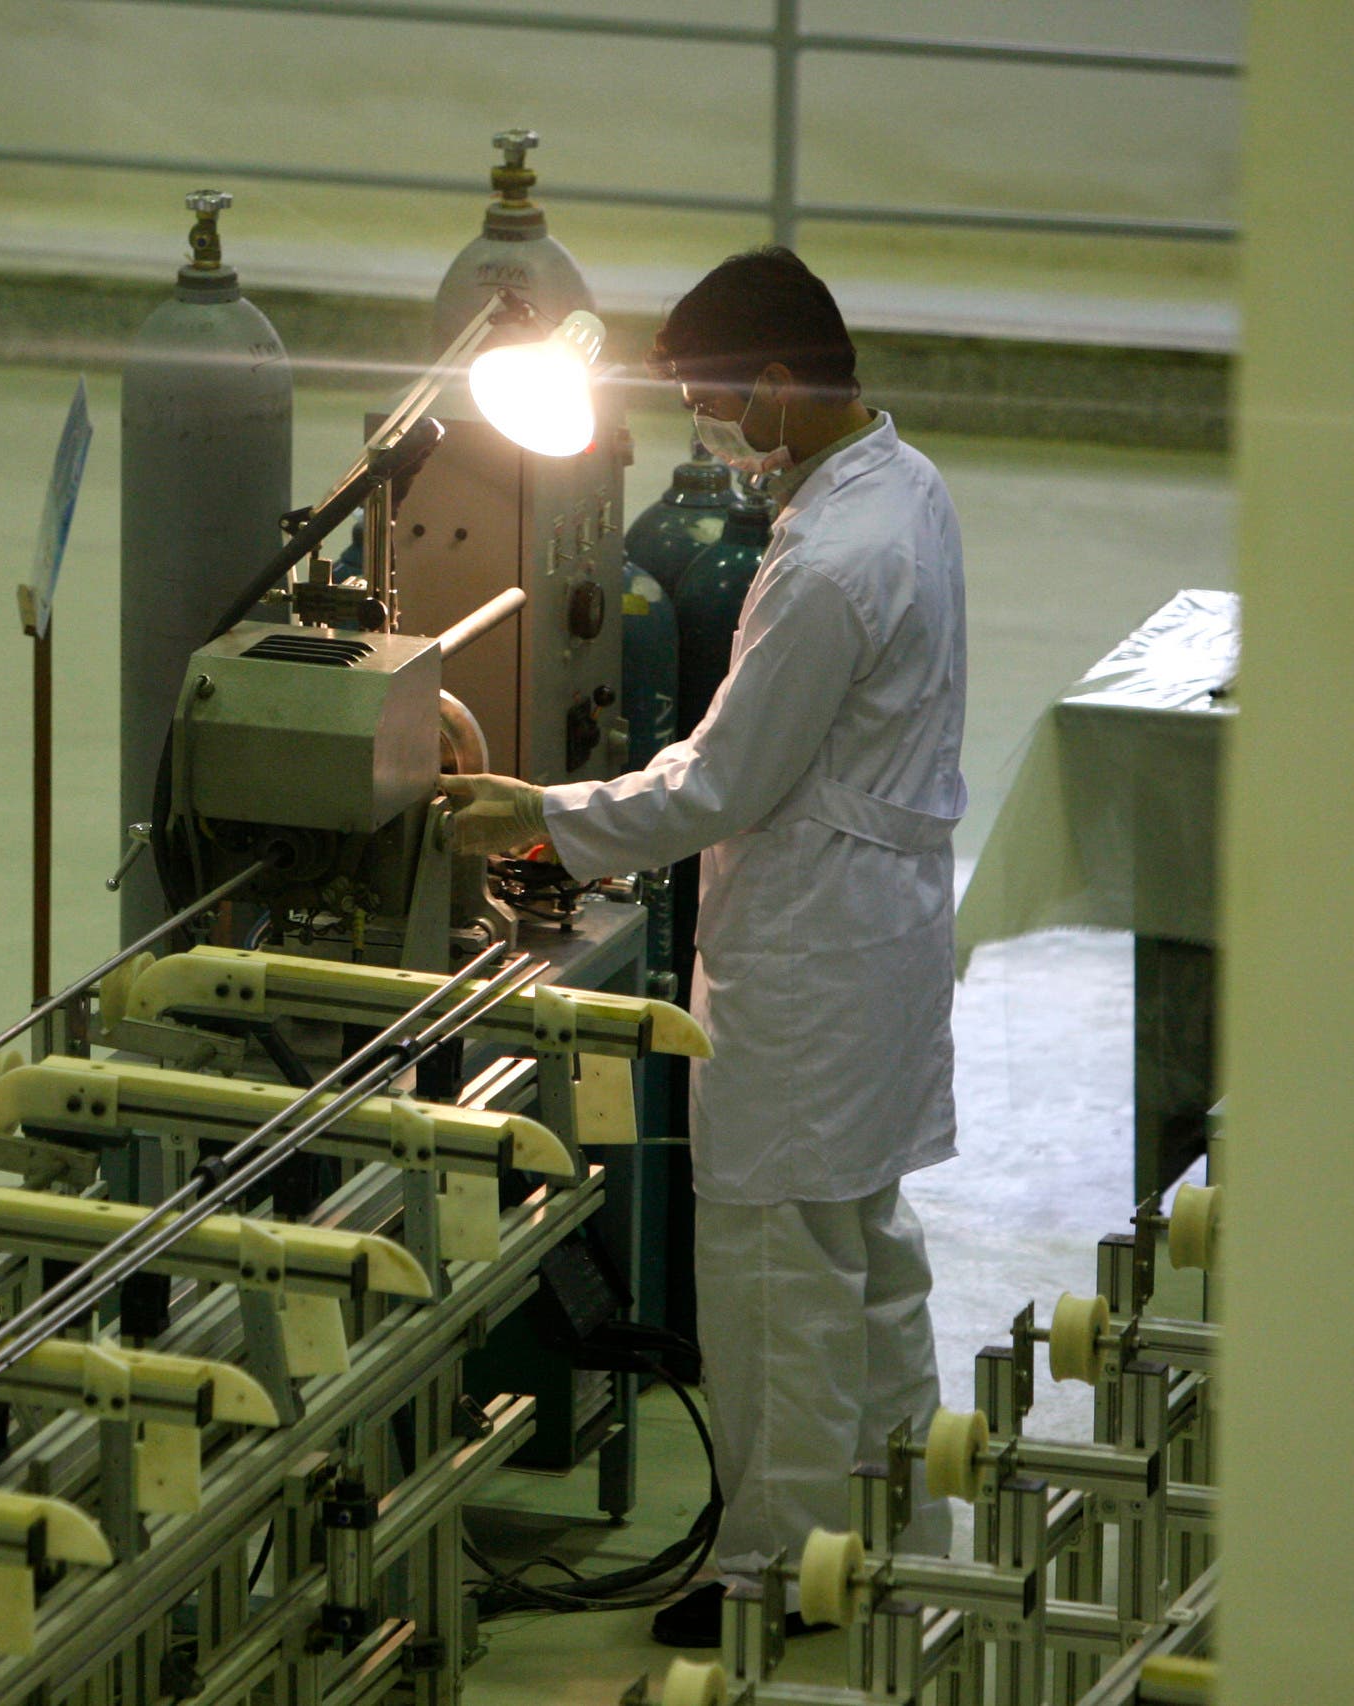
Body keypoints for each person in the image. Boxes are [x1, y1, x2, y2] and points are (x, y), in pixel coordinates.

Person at [444, 247, 965, 1648]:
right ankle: (902, 1518)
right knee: (862, 1243)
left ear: (785, 383)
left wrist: (537, 814)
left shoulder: (836, 562)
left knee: (775, 1274)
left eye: (718, 400)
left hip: (813, 951)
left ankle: (775, 1569)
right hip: (876, 935)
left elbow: (718, 784)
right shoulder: (900, 487)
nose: (709, 429)